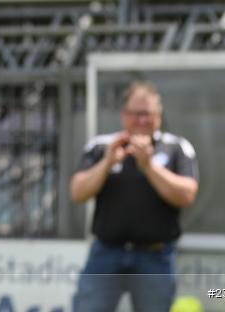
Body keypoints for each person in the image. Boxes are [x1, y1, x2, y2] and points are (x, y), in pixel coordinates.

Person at [71, 81, 198, 312]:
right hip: (106, 253)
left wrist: (149, 167)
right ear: (123, 115)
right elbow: (77, 192)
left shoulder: (176, 148)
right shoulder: (102, 147)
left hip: (155, 256)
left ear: (158, 116)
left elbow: (187, 194)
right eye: (135, 114)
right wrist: (108, 162)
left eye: (148, 114)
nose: (141, 121)